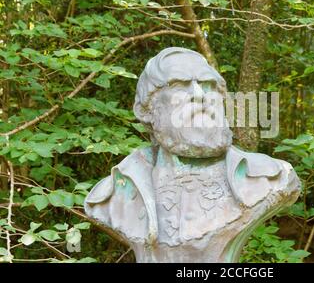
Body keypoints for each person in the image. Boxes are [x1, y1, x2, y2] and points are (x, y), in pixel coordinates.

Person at [84, 47, 300, 262]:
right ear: (146, 110)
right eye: (179, 85)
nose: (200, 96)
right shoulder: (114, 193)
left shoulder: (271, 178)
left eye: (208, 85)